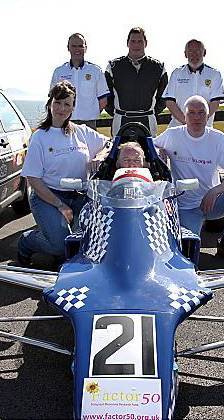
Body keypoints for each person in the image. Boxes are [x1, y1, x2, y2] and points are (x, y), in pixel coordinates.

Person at [153, 95, 224, 264]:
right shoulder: (172, 135)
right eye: (191, 113)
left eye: (201, 112)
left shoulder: (217, 138)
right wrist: (160, 153)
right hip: (185, 206)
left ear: (208, 115)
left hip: (213, 202)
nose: (196, 117)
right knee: (188, 256)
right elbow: (150, 147)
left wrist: (215, 191)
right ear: (184, 116)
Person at [17, 81, 110, 266]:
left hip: (81, 196)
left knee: (82, 243)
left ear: (73, 108)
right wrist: (60, 205)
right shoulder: (40, 137)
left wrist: (100, 155)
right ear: (49, 103)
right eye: (57, 102)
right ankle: (27, 242)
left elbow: (109, 143)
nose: (61, 108)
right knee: (60, 245)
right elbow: (33, 179)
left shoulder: (82, 131)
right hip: (48, 196)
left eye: (67, 104)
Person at [105, 27, 168, 137]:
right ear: (127, 43)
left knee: (149, 153)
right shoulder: (113, 66)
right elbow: (106, 96)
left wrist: (151, 112)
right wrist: (117, 112)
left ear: (146, 43)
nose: (136, 45)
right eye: (133, 41)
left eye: (140, 41)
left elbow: (164, 96)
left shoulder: (158, 67)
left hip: (147, 120)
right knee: (120, 153)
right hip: (121, 120)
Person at [50, 33, 110, 130]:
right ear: (68, 48)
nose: (77, 49)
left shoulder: (95, 71)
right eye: (74, 46)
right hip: (64, 122)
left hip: (89, 124)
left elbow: (103, 100)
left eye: (80, 46)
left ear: (85, 48)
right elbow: (52, 100)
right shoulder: (59, 72)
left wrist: (90, 114)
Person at [163, 39, 224, 128]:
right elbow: (169, 102)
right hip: (178, 128)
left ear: (204, 52)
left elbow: (215, 102)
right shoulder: (177, 73)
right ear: (185, 54)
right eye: (190, 51)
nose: (194, 54)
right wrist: (186, 121)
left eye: (198, 51)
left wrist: (200, 121)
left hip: (204, 128)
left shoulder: (214, 74)